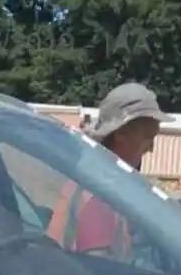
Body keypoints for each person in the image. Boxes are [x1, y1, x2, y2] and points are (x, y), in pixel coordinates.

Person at [46, 82, 163, 257]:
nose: (151, 148)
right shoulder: (100, 199)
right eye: (147, 137)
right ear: (120, 133)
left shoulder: (92, 180)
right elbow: (99, 274)